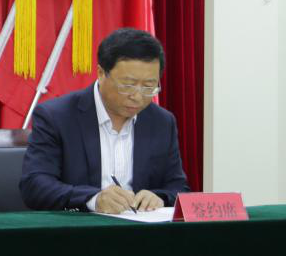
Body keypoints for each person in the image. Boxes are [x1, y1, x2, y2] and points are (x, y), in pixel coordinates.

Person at [20, 27, 188, 213]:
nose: (137, 96)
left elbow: (178, 187)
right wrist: (94, 199)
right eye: (128, 85)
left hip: (141, 228)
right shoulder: (56, 116)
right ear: (101, 73)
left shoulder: (162, 122)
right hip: (80, 227)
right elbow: (34, 185)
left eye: (149, 87)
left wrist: (159, 197)